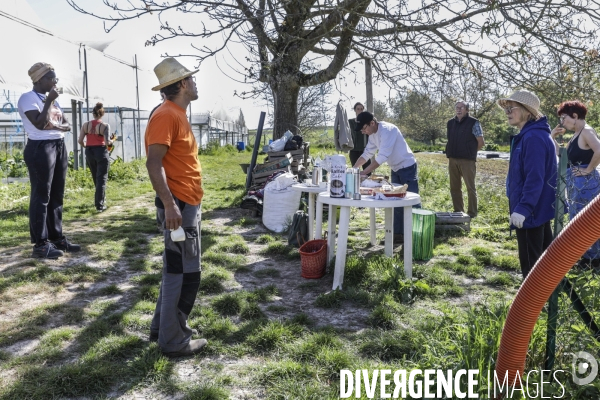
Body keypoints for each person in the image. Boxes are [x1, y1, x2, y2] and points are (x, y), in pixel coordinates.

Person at [145, 57, 207, 356]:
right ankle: (173, 340)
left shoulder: (176, 113)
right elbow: (153, 163)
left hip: (186, 203)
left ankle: (161, 328)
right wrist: (170, 205)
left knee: (176, 268)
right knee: (184, 273)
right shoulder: (166, 115)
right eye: (191, 79)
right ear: (182, 84)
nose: (195, 83)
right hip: (179, 206)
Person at [17, 62, 81, 259]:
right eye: (52, 78)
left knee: (56, 194)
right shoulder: (28, 98)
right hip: (40, 148)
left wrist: (53, 121)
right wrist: (48, 105)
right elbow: (39, 123)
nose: (55, 82)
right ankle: (40, 244)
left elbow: (66, 124)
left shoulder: (51, 99)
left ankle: (56, 237)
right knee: (41, 196)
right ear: (39, 79)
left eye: (56, 78)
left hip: (58, 145)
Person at [498, 90, 557, 278]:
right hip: (534, 210)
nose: (507, 112)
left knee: (531, 268)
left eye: (511, 108)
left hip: (531, 213)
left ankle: (531, 306)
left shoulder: (533, 138)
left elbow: (535, 178)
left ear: (527, 111)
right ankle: (547, 301)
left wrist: (523, 208)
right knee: (546, 263)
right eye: (506, 108)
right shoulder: (530, 135)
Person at [353, 111, 420, 242]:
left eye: (364, 128)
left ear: (372, 123)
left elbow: (382, 157)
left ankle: (417, 236)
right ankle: (397, 235)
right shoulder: (372, 135)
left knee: (412, 201)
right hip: (395, 168)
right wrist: (354, 169)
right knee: (396, 201)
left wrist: (363, 173)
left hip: (407, 167)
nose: (363, 131)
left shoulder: (388, 130)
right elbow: (367, 154)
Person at [550, 100, 600, 267]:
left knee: (586, 223)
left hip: (587, 184)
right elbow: (562, 156)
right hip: (577, 185)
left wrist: (588, 169)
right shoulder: (576, 136)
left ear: (575, 116)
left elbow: (599, 149)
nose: (562, 122)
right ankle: (586, 258)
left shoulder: (586, 131)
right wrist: (552, 137)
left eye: (563, 118)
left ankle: (593, 260)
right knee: (578, 221)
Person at [446, 100, 485, 218]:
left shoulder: (474, 122)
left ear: (467, 110)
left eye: (462, 107)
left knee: (470, 188)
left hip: (467, 160)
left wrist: (470, 152)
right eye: (457, 107)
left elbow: (481, 142)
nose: (459, 109)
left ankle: (472, 213)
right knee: (454, 188)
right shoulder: (450, 123)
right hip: (452, 159)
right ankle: (458, 212)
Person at [78, 102, 113, 212]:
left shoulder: (86, 125)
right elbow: (108, 143)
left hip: (89, 151)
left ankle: (101, 199)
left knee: (95, 176)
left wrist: (87, 147)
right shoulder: (105, 126)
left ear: (93, 114)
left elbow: (80, 141)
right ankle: (99, 205)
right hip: (101, 151)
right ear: (102, 114)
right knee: (101, 178)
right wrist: (112, 140)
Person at [348, 102, 371, 170]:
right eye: (358, 109)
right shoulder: (350, 122)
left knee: (367, 171)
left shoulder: (367, 122)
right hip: (354, 150)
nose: (360, 111)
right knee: (355, 171)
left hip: (365, 150)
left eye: (361, 109)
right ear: (355, 110)